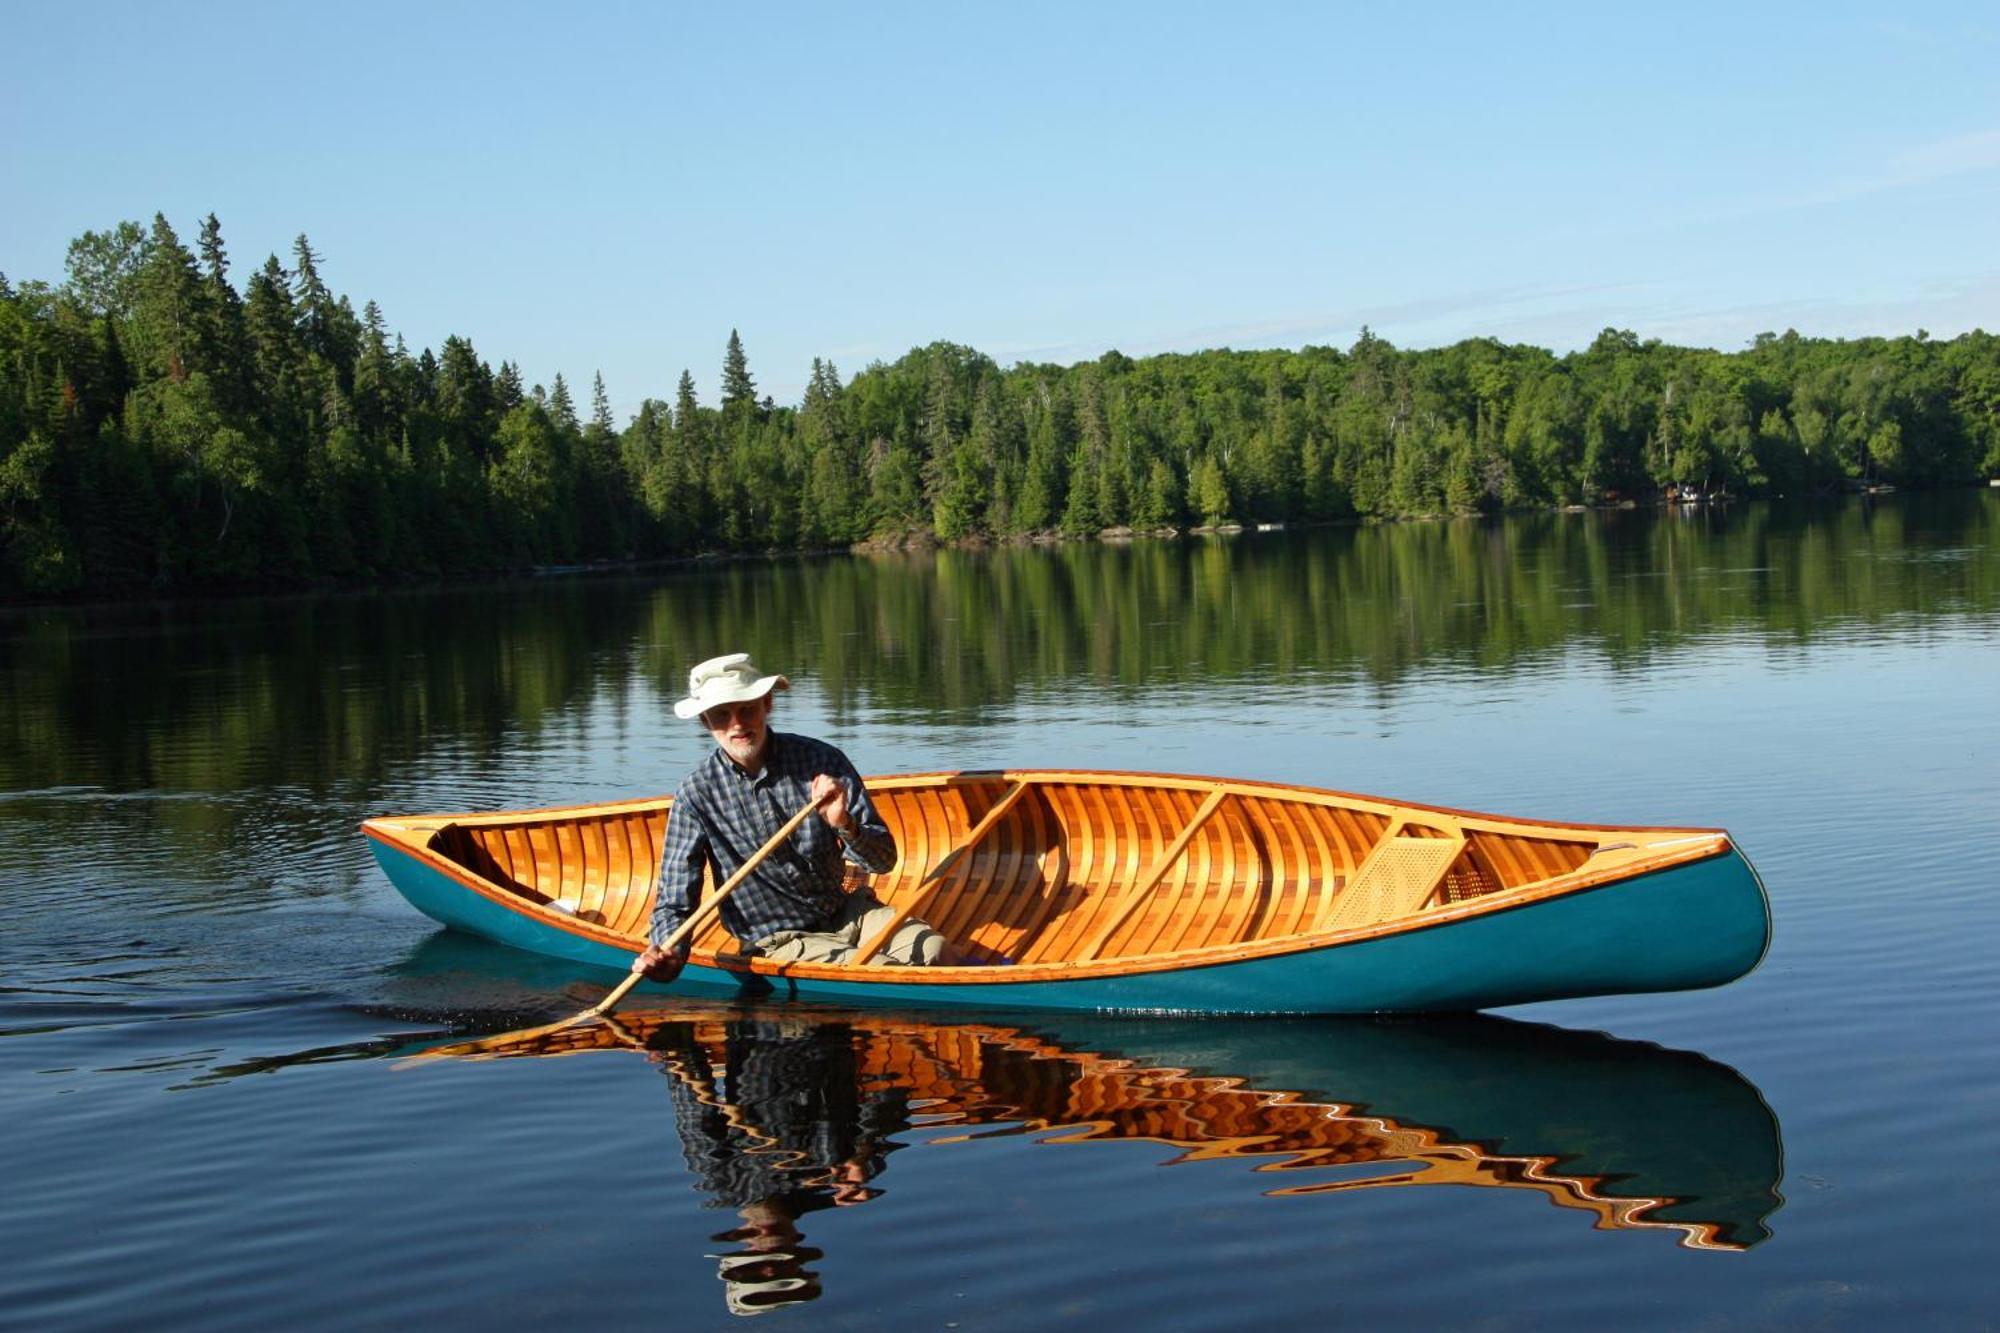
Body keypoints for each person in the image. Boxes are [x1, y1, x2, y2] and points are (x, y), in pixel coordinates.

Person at [633, 652, 948, 981]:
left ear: (767, 703)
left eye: (746, 708)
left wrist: (845, 825)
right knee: (884, 974)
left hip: (848, 912)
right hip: (778, 941)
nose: (737, 724)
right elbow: (674, 902)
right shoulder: (696, 795)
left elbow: (883, 862)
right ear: (705, 722)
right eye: (722, 715)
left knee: (936, 950)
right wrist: (667, 952)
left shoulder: (821, 760)